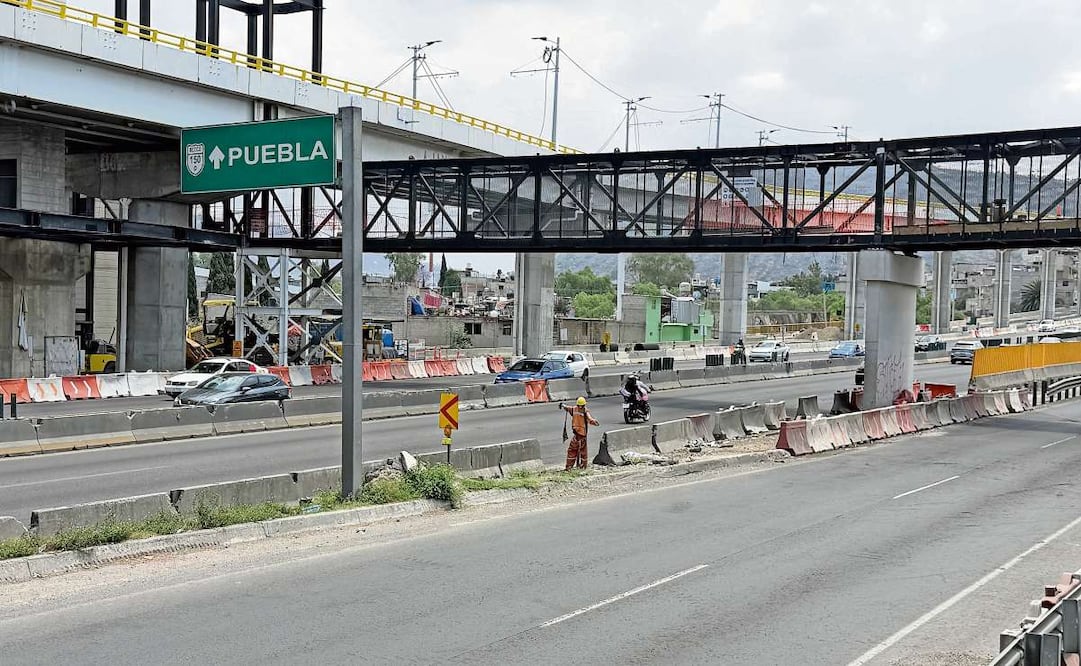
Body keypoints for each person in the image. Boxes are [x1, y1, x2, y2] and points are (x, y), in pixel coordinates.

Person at [560, 396, 599, 470]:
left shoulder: (577, 409)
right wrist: (594, 422)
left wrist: (563, 405)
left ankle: (570, 467)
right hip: (580, 434)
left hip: (579, 434)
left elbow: (568, 408)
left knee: (574, 450)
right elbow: (590, 419)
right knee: (581, 451)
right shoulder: (582, 410)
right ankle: (581, 466)